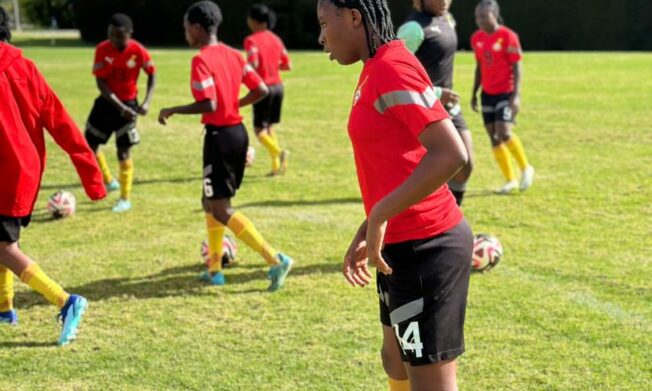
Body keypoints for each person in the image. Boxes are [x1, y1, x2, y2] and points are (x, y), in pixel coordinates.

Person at [317, 1, 472, 390]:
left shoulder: (391, 66)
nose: (320, 38)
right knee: (394, 359)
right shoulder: (374, 67)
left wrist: (382, 212)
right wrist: (370, 222)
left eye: (323, 24)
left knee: (429, 382)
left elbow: (451, 153)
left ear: (354, 17)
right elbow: (398, 160)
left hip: (429, 246)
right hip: (399, 246)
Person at [158, 1, 293, 291]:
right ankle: (215, 269)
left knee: (220, 208)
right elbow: (261, 89)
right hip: (237, 133)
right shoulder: (235, 55)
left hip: (219, 137)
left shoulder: (201, 60)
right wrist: (236, 104)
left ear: (196, 28)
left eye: (185, 29)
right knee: (209, 202)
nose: (185, 34)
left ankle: (275, 258)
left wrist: (173, 109)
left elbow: (210, 103)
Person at [0, 6, 106, 344]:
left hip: (4, 171)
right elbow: (60, 121)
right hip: (25, 171)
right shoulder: (25, 66)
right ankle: (4, 309)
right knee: (3, 242)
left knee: (5, 247)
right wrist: (92, 177)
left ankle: (66, 301)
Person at [397, 0, 473, 206]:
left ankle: (452, 215)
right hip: (425, 107)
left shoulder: (448, 19)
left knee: (465, 164)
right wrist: (437, 92)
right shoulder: (413, 29)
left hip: (447, 104)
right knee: (436, 166)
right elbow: (394, 72)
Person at [85, 13, 156, 212]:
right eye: (111, 35)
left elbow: (152, 74)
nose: (115, 39)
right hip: (107, 104)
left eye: (119, 36)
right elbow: (101, 82)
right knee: (90, 144)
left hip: (129, 105)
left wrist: (147, 102)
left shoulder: (138, 51)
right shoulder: (102, 49)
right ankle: (109, 180)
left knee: (123, 150)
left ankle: (125, 198)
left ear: (129, 34)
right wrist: (120, 107)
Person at [471, 0, 534, 194]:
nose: (480, 20)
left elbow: (517, 66)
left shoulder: (508, 36)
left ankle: (526, 168)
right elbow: (479, 66)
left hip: (506, 92)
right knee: (493, 137)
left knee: (504, 132)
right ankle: (510, 180)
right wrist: (474, 93)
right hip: (487, 94)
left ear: (495, 15)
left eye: (484, 16)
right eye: (477, 17)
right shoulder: (477, 38)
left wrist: (516, 95)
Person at [244, 4, 292, 176]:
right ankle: (276, 166)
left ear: (256, 21)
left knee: (259, 130)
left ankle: (279, 152)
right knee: (270, 126)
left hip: (263, 88)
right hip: (278, 87)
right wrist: (272, 65)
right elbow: (287, 64)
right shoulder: (276, 39)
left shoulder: (251, 40)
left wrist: (245, 73)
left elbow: (253, 63)